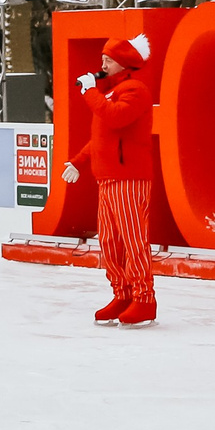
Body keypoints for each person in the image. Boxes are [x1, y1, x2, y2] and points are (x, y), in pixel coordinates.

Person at [72, 33, 159, 326]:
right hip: (108, 178)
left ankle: (144, 298)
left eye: (107, 60)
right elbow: (101, 138)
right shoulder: (109, 94)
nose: (102, 65)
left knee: (133, 240)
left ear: (122, 64)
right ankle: (122, 292)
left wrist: (89, 92)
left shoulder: (135, 90)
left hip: (129, 177)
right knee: (110, 241)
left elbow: (116, 118)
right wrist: (78, 162)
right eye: (102, 60)